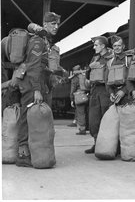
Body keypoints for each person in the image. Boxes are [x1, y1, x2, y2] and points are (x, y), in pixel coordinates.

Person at [14, 11, 61, 167]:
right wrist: (36, 89)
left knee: (32, 117)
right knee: (26, 117)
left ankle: (29, 151)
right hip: (30, 83)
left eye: (57, 24)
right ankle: (22, 154)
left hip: (36, 81)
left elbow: (42, 66)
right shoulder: (38, 41)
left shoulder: (45, 41)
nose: (56, 26)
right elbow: (33, 67)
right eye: (53, 24)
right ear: (45, 24)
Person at [85, 36, 113, 154]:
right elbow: (88, 74)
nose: (94, 47)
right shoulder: (94, 58)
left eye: (96, 45)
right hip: (95, 91)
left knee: (106, 119)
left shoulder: (111, 58)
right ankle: (97, 143)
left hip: (106, 91)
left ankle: (108, 146)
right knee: (93, 120)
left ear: (103, 46)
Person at [106, 35, 131, 106]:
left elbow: (131, 79)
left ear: (123, 46)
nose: (117, 48)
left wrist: (123, 91)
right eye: (115, 46)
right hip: (114, 95)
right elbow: (107, 80)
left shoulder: (128, 60)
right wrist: (111, 93)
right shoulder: (110, 62)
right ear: (112, 47)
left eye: (119, 45)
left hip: (127, 95)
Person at [69, 65, 89, 135]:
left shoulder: (75, 78)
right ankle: (89, 128)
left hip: (79, 97)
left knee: (80, 113)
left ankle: (82, 129)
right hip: (87, 95)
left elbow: (72, 89)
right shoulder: (85, 76)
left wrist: (71, 99)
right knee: (87, 112)